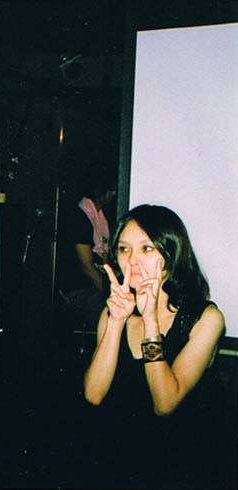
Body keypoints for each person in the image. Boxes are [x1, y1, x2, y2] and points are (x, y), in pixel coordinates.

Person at [82, 204, 228, 488]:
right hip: (118, 459)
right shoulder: (113, 311)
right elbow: (93, 394)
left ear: (171, 254)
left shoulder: (206, 319)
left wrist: (150, 322)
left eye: (146, 248)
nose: (132, 260)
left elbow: (165, 403)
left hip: (180, 465)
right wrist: (116, 321)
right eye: (123, 249)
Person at [58, 164, 117, 338]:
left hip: (91, 286)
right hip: (78, 289)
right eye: (111, 190)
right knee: (108, 312)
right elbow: (87, 266)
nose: (114, 194)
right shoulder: (79, 218)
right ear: (100, 189)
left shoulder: (101, 217)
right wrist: (108, 293)